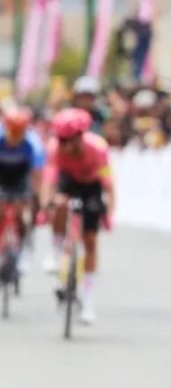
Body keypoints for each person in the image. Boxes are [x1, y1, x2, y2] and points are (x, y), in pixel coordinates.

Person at [43, 108, 114, 325]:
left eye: (68, 140)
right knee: (61, 203)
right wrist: (46, 205)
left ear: (80, 137)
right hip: (69, 181)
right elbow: (49, 179)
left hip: (92, 185)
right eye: (61, 140)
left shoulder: (98, 148)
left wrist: (109, 212)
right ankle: (55, 253)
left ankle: (88, 300)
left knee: (91, 240)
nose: (64, 145)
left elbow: (109, 184)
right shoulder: (56, 149)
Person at [0, 108, 46, 272]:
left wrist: (36, 196)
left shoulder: (33, 143)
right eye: (12, 133)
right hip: (3, 174)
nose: (14, 138)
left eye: (19, 133)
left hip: (21, 176)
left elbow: (37, 174)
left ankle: (24, 247)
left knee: (21, 211)